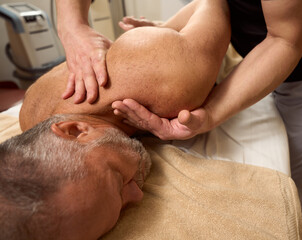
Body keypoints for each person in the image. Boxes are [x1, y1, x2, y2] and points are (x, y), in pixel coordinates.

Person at [0, 0, 231, 239]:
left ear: (76, 130)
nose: (137, 196)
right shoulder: (29, 115)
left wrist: (167, 31)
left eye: (119, 180)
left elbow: (214, 4)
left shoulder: (171, 82)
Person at [111, 0, 302, 217]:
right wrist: (168, 30)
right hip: (274, 43)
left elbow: (285, 40)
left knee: (294, 159)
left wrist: (210, 115)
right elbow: (215, 3)